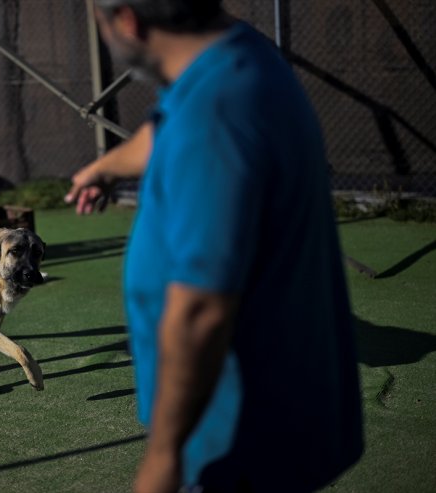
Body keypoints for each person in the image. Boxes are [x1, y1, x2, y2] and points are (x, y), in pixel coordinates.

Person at [65, 1, 364, 492]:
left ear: (128, 22)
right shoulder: (239, 57)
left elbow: (201, 310)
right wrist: (105, 167)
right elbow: (165, 128)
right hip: (276, 415)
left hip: (234, 443)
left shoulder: (213, 119)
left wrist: (163, 458)